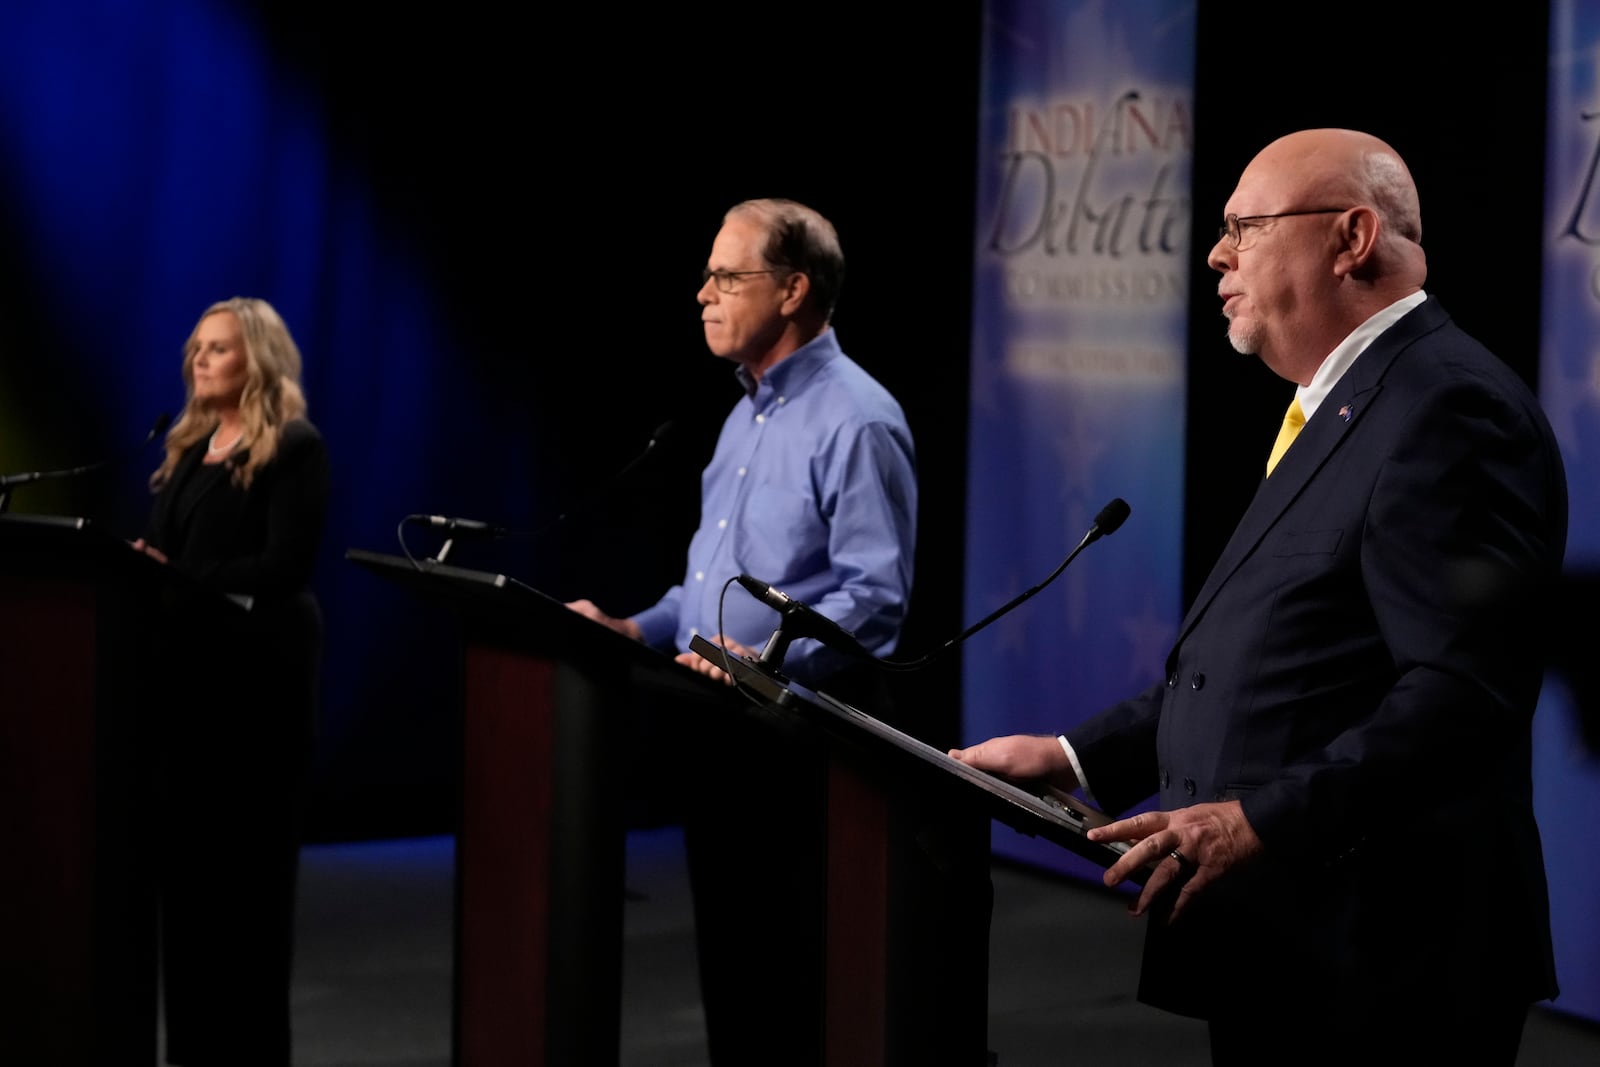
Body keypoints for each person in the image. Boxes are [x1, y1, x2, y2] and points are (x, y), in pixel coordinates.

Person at [950, 128, 1566, 1066]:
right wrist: (1074, 755)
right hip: (1297, 940)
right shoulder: (1345, 400)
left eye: (1245, 225)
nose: (1217, 252)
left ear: (1350, 238)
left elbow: (1462, 691)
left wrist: (1257, 818)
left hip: (1389, 957)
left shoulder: (1447, 407)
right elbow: (1275, 654)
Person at [566, 198, 941, 1064]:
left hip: (798, 739)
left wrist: (772, 657)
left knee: (790, 986)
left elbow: (875, 597)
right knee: (733, 978)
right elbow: (712, 585)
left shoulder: (858, 418)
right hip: (718, 726)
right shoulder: (745, 415)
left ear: (793, 288)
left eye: (726, 275)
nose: (703, 292)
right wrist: (638, 626)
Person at [132, 297, 330, 1066]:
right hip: (186, 695)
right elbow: (162, 556)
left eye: (216, 348)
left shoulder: (294, 447)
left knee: (246, 895)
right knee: (188, 893)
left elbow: (284, 567)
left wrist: (178, 577)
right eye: (195, 349)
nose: (198, 360)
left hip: (257, 696)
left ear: (257, 359)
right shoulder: (186, 448)